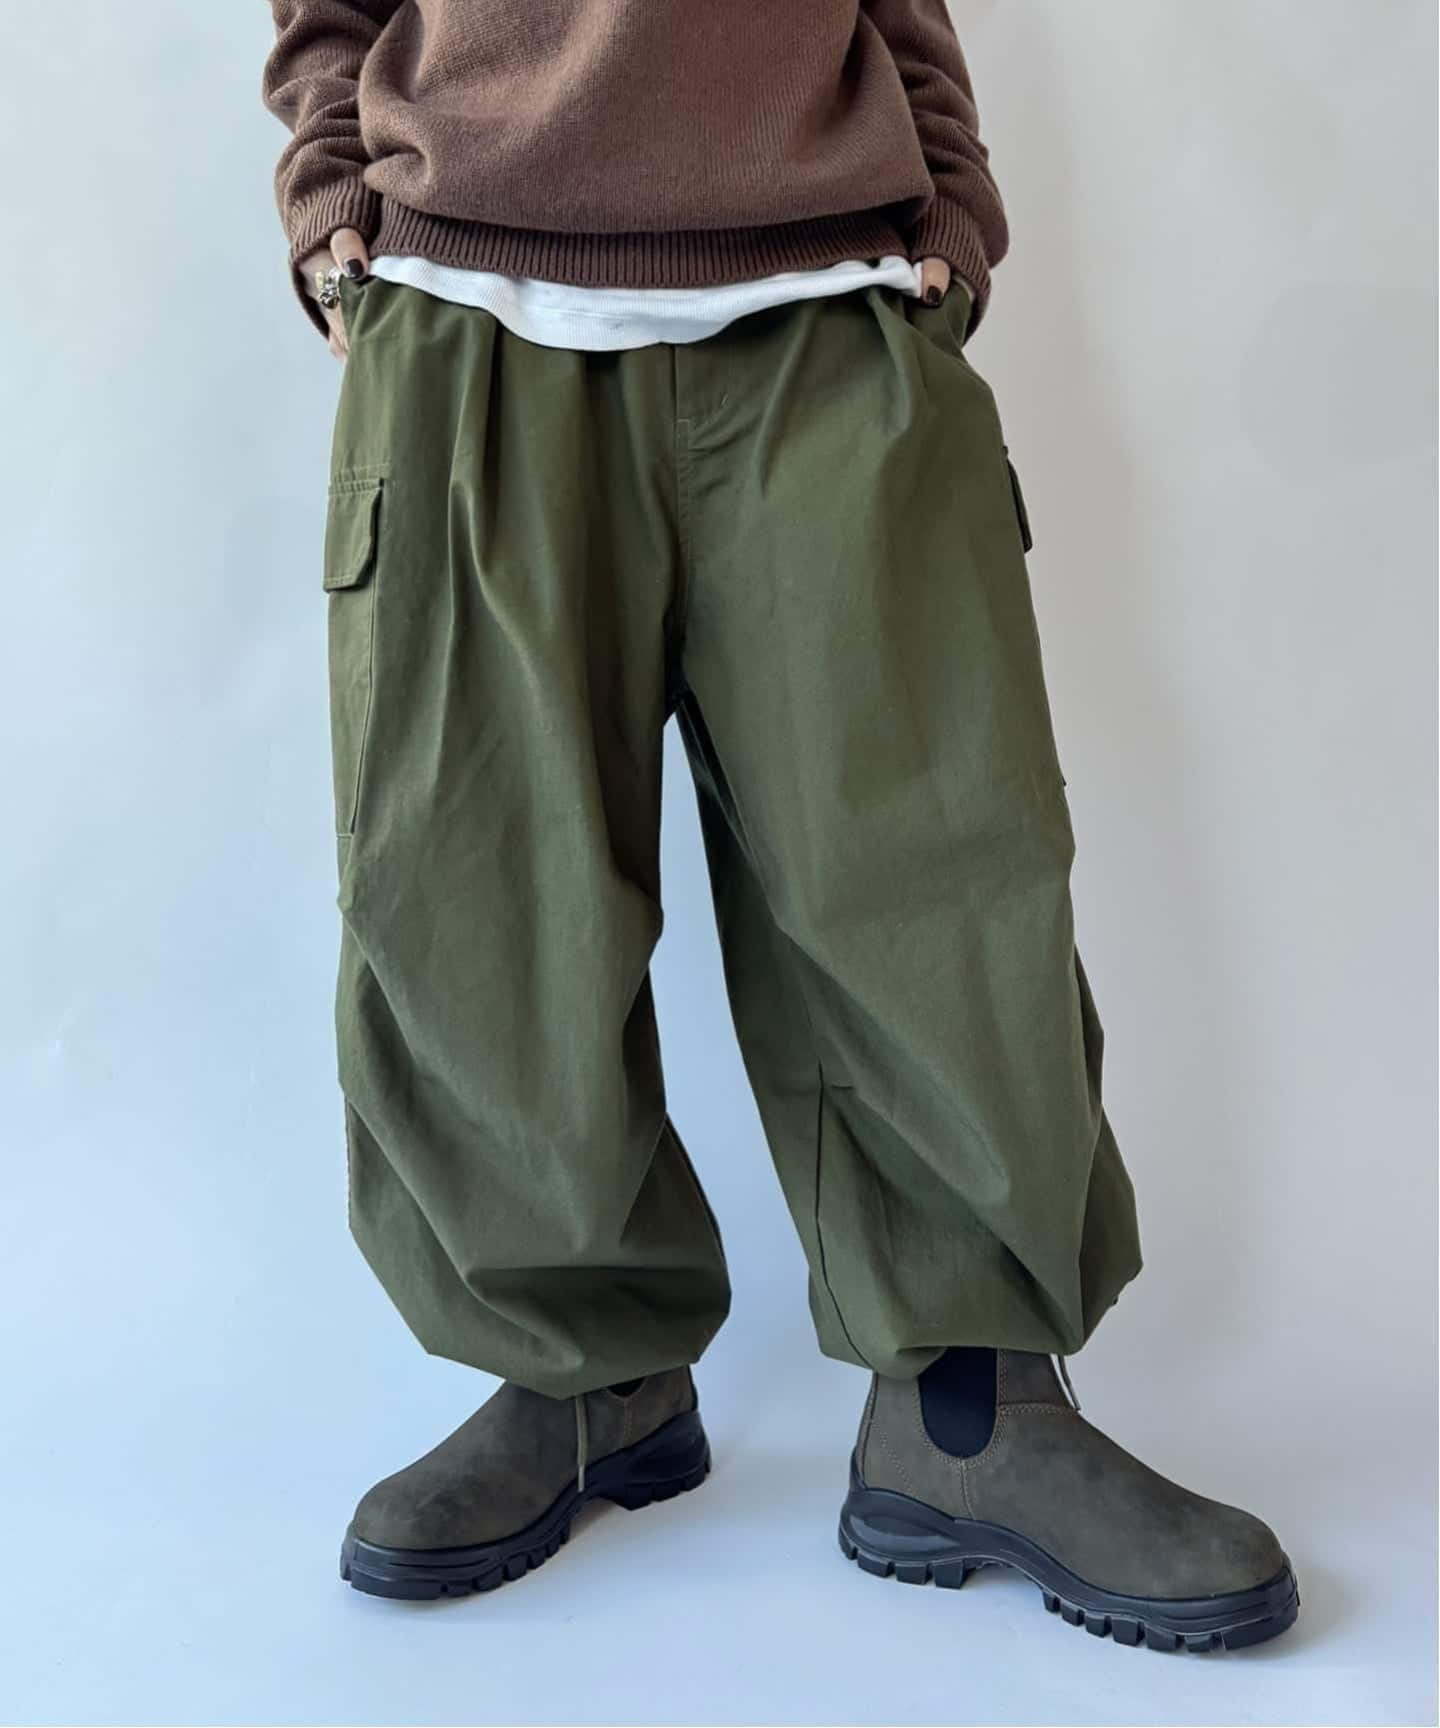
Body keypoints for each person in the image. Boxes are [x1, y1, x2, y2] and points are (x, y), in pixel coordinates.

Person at [261, 0, 1298, 1648]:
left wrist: (950, 206)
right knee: (475, 889)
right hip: (466, 303)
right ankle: (580, 1377)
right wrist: (332, 202)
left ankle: (968, 1407)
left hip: (829, 298)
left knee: (937, 876)